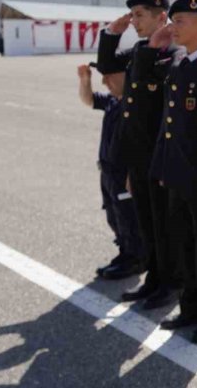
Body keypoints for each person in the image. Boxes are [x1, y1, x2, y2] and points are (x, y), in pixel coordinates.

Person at [135, 0, 197, 343]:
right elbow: (166, 119)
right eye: (173, 20)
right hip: (176, 173)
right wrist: (153, 46)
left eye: (180, 21)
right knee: (184, 243)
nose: (172, 27)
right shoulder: (178, 62)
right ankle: (190, 306)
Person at [98, 0, 180, 309]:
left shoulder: (170, 52)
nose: (134, 21)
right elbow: (106, 66)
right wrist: (112, 34)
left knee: (163, 225)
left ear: (162, 18)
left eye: (140, 14)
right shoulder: (139, 49)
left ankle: (171, 284)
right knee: (147, 223)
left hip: (158, 155)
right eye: (131, 14)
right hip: (138, 156)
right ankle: (154, 280)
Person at [77, 61, 145, 280]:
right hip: (107, 173)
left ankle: (136, 259)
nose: (104, 81)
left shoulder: (135, 104)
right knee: (114, 216)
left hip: (123, 174)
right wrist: (85, 80)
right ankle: (125, 252)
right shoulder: (113, 101)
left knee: (128, 218)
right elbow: (88, 99)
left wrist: (132, 175)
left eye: (109, 76)